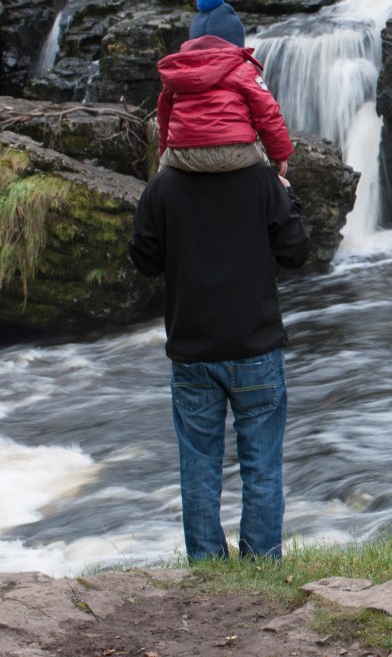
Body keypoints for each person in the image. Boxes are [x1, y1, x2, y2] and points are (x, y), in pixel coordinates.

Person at [128, 147, 311, 562]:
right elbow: (295, 251)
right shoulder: (262, 181)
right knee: (262, 465)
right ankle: (262, 564)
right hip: (256, 347)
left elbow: (144, 258)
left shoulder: (163, 186)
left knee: (199, 468)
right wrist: (287, 195)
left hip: (192, 349)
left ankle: (208, 567)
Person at [156, 0, 293, 177]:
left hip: (183, 152)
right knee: (269, 175)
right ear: (235, 42)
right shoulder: (243, 70)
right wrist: (280, 155)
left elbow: (164, 119)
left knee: (161, 178)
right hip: (233, 152)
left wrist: (164, 155)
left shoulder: (177, 73)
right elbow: (267, 113)